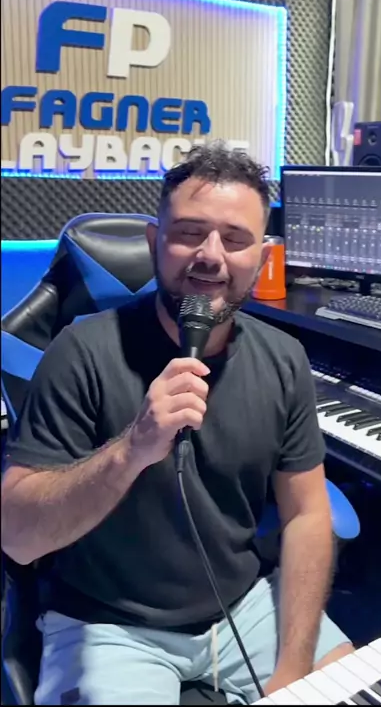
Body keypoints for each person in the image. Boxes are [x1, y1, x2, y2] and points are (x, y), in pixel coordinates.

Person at [1, 143, 353, 705]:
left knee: (354, 687)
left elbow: (308, 514)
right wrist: (133, 448)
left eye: (235, 239)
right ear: (154, 243)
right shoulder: (81, 352)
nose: (210, 256)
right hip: (109, 623)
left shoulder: (284, 359)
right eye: (189, 233)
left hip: (243, 608)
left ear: (261, 257)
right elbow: (17, 537)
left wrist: (293, 668)